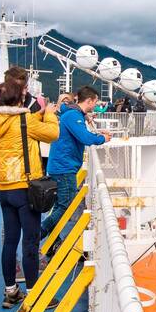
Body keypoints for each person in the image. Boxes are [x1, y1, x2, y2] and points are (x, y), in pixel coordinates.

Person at [0, 82, 59, 307]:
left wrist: (36, 115)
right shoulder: (25, 121)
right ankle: (34, 293)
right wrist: (48, 114)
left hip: (4, 187)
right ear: (16, 100)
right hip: (23, 187)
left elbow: (20, 131)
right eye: (22, 95)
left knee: (10, 241)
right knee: (30, 242)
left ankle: (11, 290)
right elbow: (52, 134)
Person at [42, 86, 108, 245]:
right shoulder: (73, 115)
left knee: (60, 205)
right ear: (90, 100)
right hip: (64, 168)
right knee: (64, 206)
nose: (96, 105)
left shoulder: (72, 113)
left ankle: (52, 240)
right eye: (95, 102)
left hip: (61, 166)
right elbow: (85, 138)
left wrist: (88, 121)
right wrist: (102, 138)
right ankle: (40, 232)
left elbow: (79, 131)